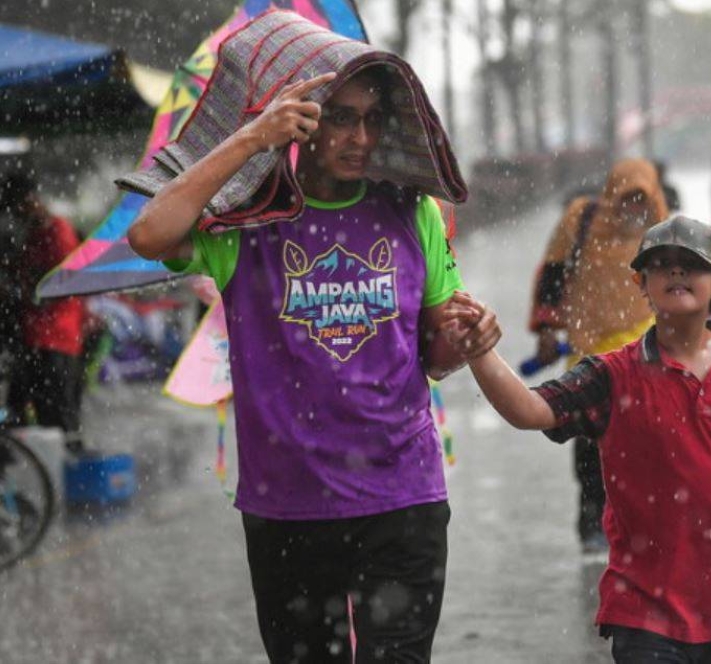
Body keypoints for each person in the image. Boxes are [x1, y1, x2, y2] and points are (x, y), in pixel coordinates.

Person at [127, 64, 477, 663]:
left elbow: (437, 352)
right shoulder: (247, 223)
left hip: (403, 495)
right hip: (289, 504)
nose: (359, 139)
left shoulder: (411, 212)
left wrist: (462, 342)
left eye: (372, 121)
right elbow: (149, 235)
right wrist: (252, 138)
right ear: (303, 123)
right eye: (341, 118)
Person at [445, 216, 711, 663]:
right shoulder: (612, 374)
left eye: (690, 264)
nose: (676, 272)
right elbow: (530, 410)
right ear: (642, 284)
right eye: (661, 265)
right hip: (645, 612)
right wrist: (480, 354)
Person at [529, 158, 669, 553]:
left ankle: (640, 528)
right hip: (589, 351)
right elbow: (552, 274)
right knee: (590, 447)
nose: (633, 210)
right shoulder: (582, 220)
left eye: (642, 200)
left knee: (646, 445)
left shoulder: (664, 231)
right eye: (627, 199)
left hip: (646, 355)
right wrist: (545, 327)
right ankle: (592, 523)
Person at [2, 172, 87, 453]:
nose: (16, 214)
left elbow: (64, 282)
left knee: (57, 412)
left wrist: (26, 293)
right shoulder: (36, 233)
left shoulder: (58, 232)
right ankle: (37, 471)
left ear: (31, 201)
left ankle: (70, 472)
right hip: (35, 335)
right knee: (22, 408)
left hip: (57, 337)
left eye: (18, 206)